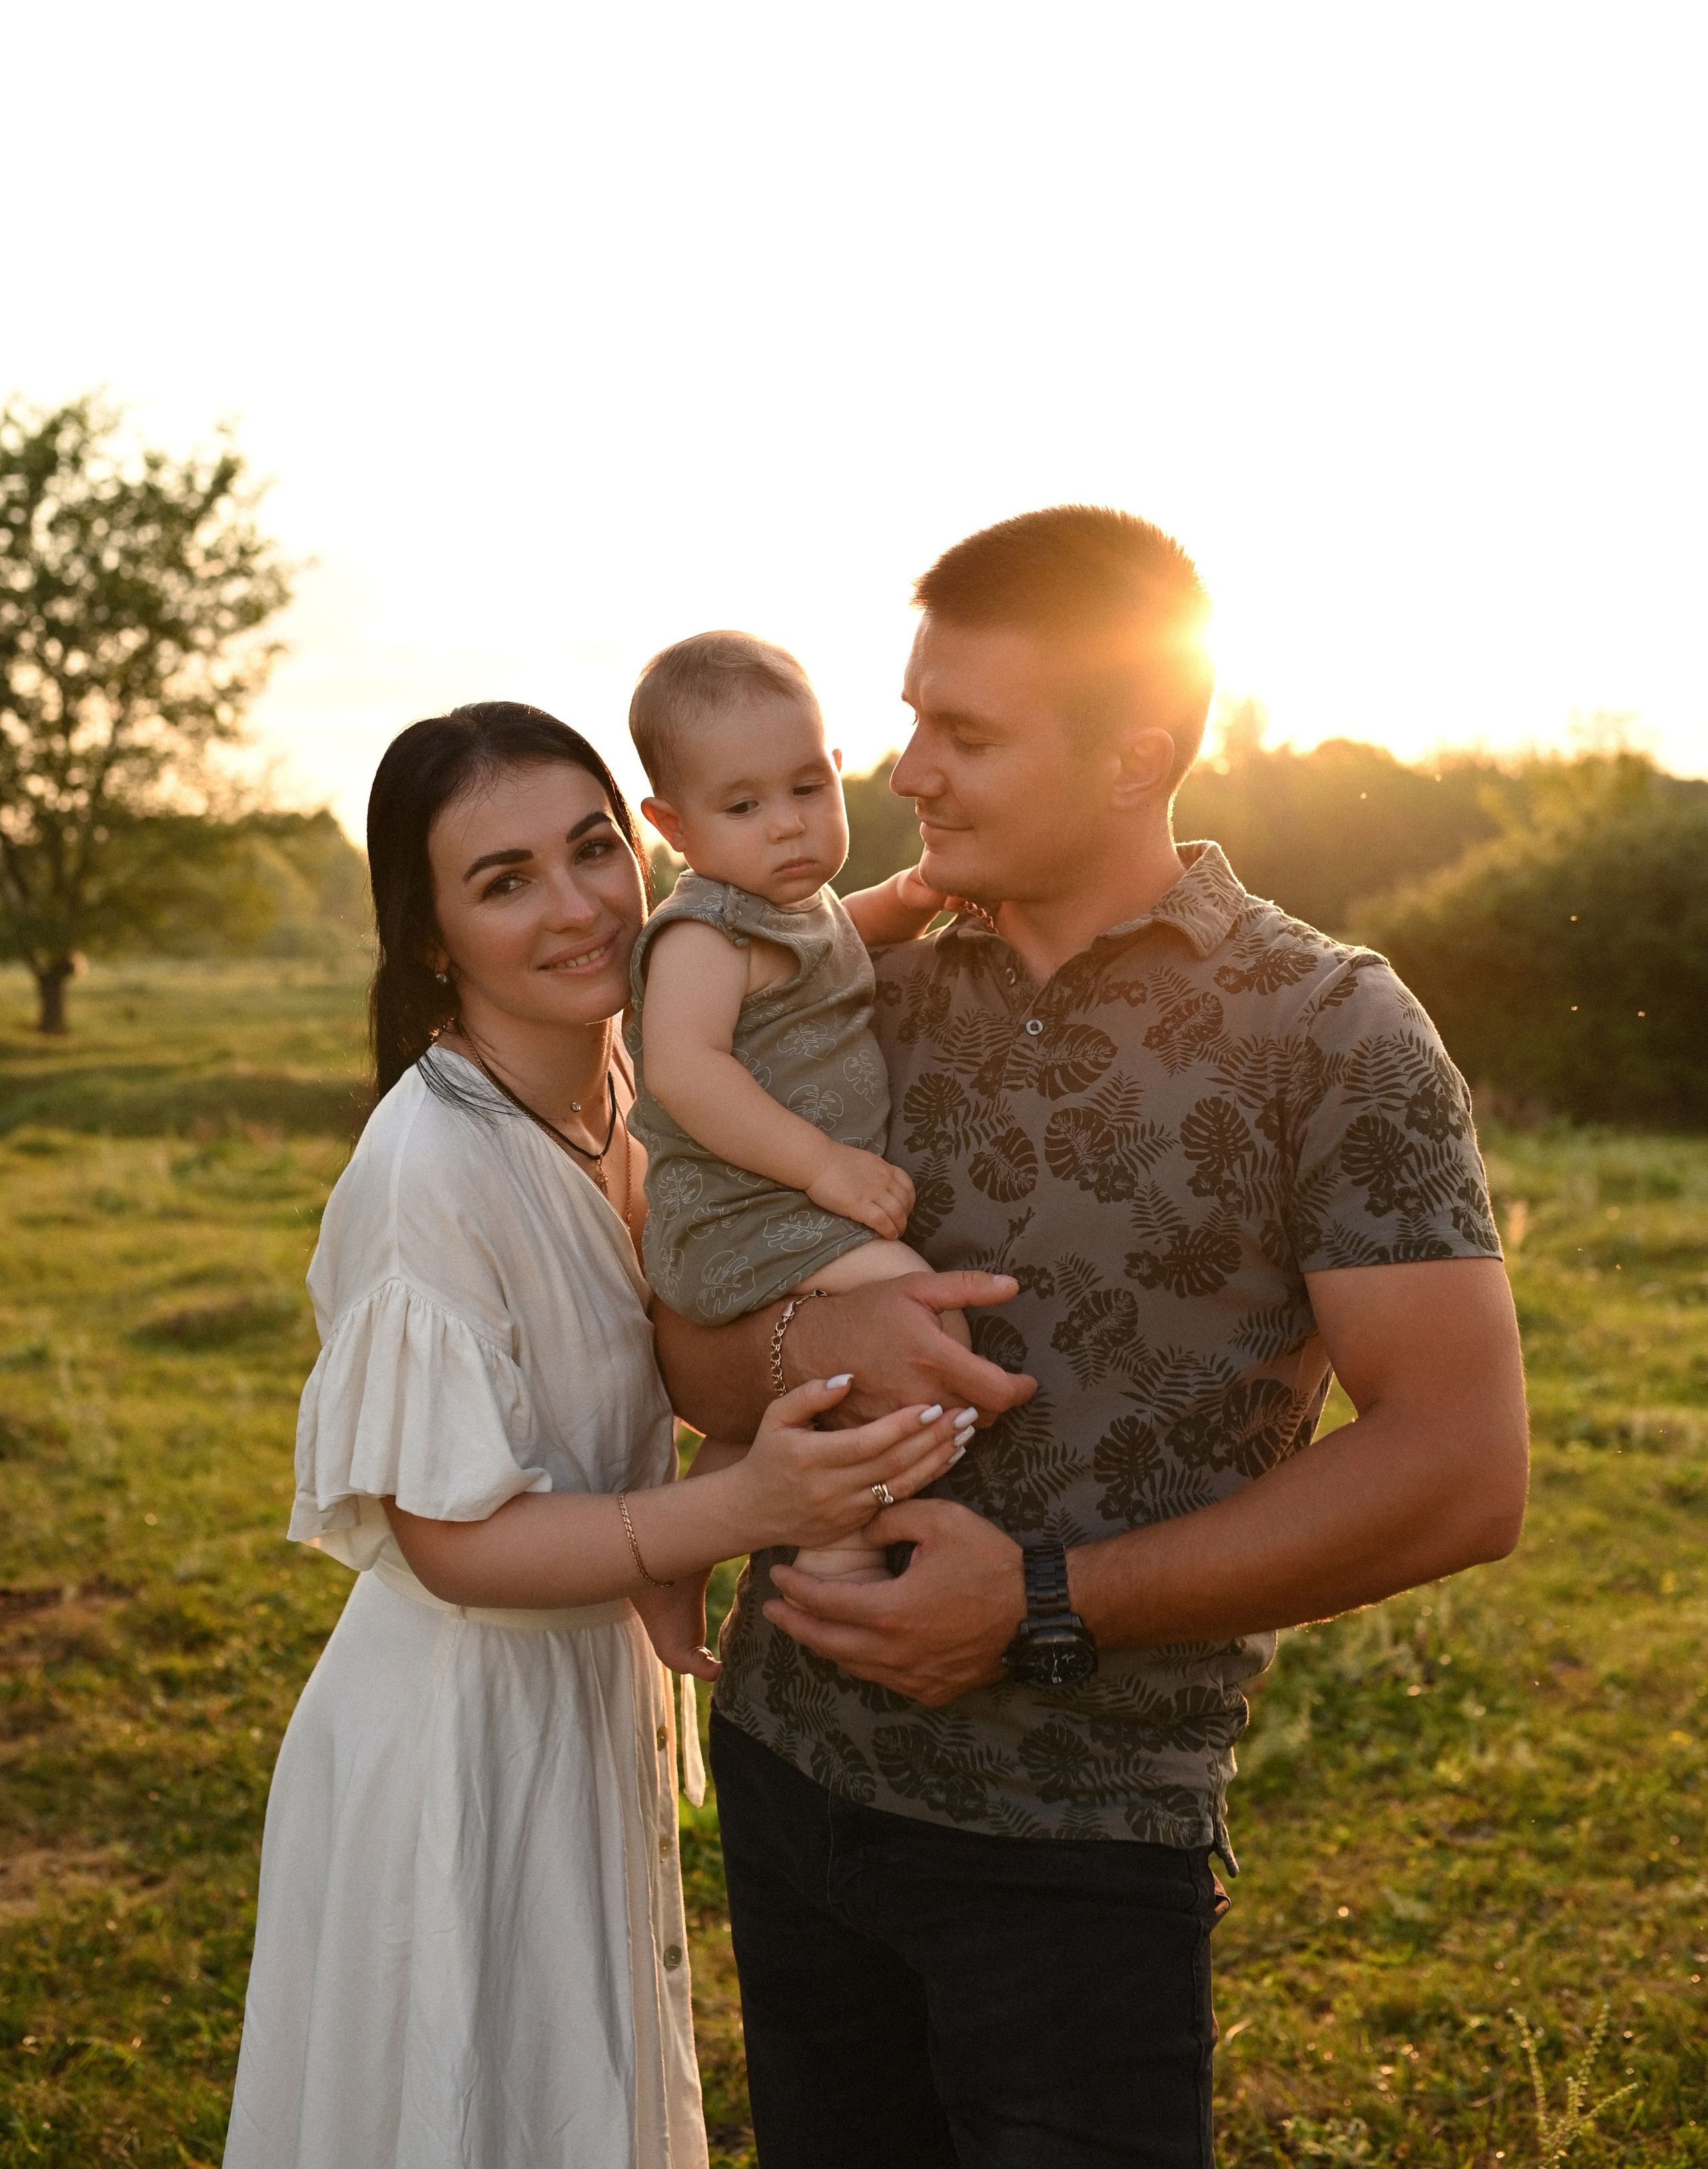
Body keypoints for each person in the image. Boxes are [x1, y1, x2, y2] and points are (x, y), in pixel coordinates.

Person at [655, 508, 1531, 2169]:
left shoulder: (1328, 1028)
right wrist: (804, 1339)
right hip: (786, 1775)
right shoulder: (850, 992)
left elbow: (1459, 1471)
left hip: (1070, 1843)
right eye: (910, 719)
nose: (906, 772)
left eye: (964, 734)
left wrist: (1040, 1605)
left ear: (1134, 755)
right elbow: (688, 1352)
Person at [223, 701, 966, 2169]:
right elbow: (445, 1536)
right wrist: (729, 1507)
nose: (576, 908)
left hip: (577, 1701)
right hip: (456, 1734)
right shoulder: (426, 1168)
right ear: (431, 937)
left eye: (590, 851)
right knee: (472, 2109)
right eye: (503, 881)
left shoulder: (625, 1088)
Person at [624, 631, 977, 1578]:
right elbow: (684, 1070)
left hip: (785, 1209)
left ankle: (702, 1524)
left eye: (805, 791)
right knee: (919, 1319)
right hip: (744, 1214)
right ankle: (840, 1550)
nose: (786, 824)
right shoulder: (702, 932)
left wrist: (901, 900)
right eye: (743, 805)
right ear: (674, 826)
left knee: (833, 1370)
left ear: (835, 770)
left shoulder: (789, 909)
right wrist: (826, 1166)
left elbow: (829, 949)